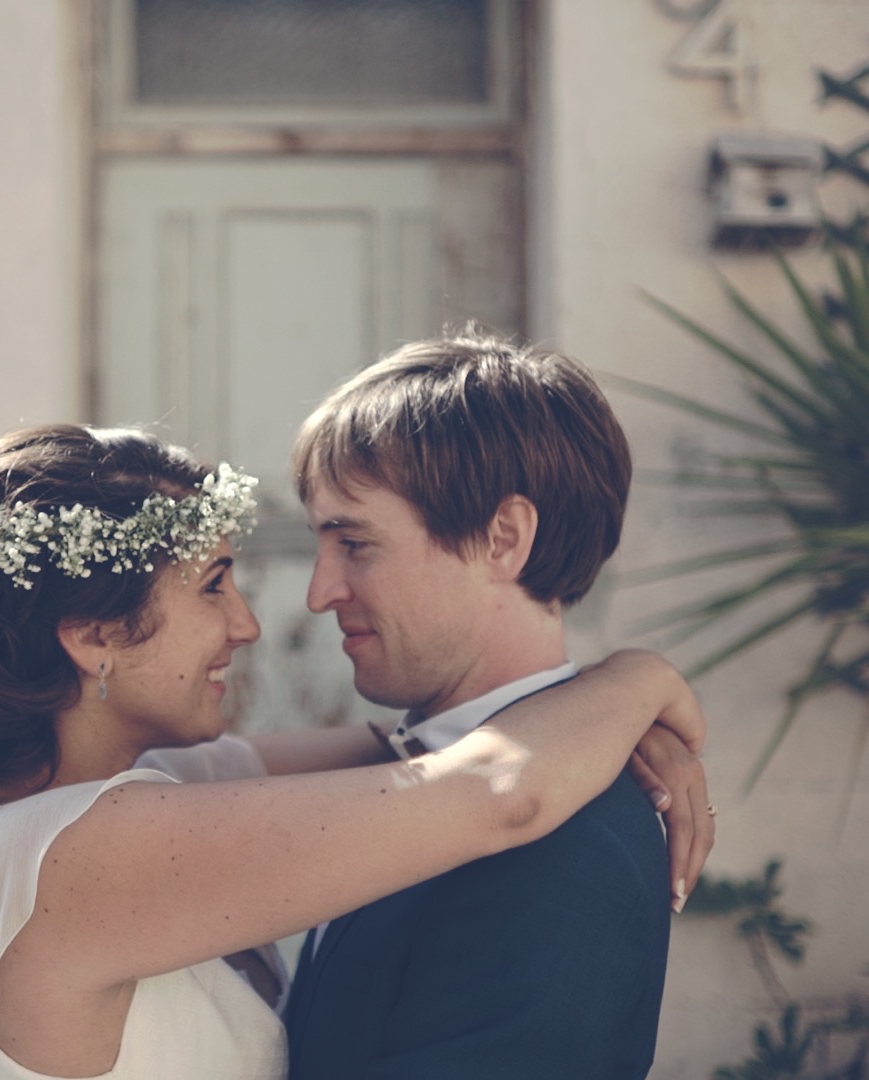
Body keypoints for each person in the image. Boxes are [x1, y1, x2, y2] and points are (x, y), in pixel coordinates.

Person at [0, 423, 709, 1080]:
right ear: (96, 637)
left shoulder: (139, 792)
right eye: (212, 586)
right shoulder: (76, 856)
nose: (246, 625)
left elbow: (416, 744)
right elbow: (497, 788)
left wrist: (598, 715)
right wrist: (641, 677)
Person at [281, 328, 695, 1078]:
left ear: (503, 538)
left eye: (356, 544)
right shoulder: (418, 762)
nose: (319, 593)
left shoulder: (571, 846)